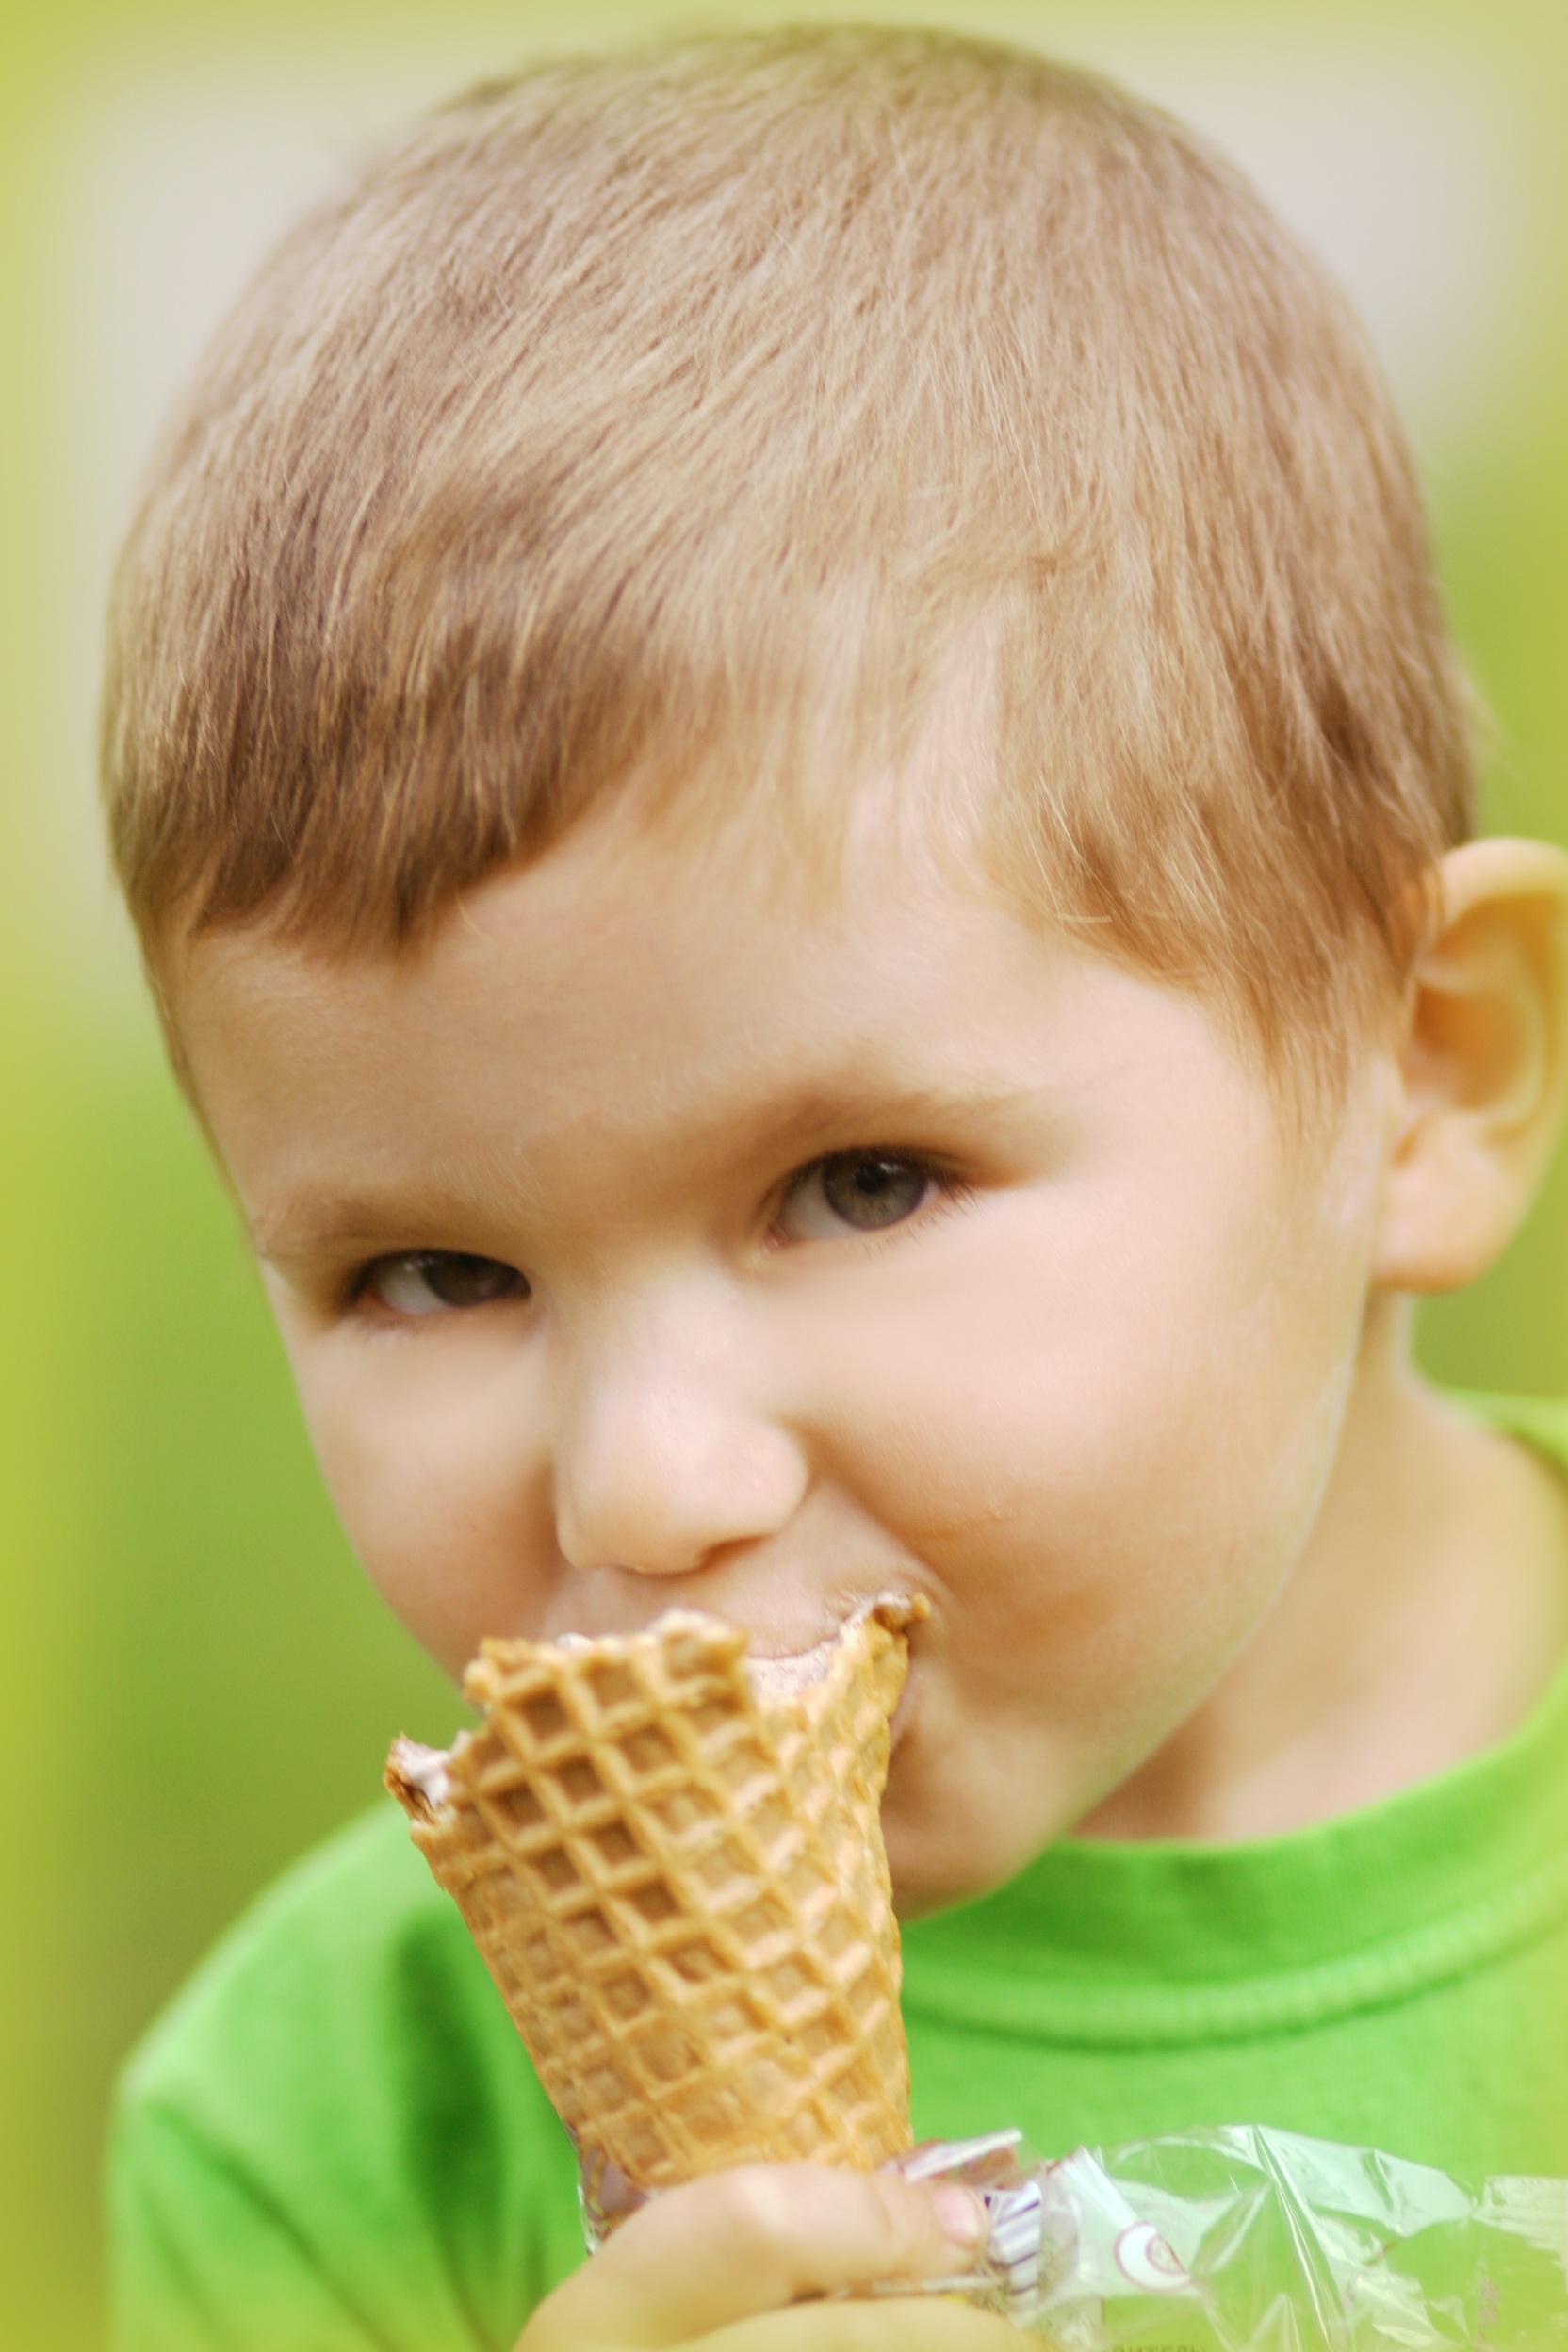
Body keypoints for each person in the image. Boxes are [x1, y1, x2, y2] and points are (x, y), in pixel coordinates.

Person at [101, 26, 1568, 2352]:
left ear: (1425, 1077)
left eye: (861, 1182)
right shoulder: (333, 2121)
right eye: (435, 1267)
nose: (649, 1481)